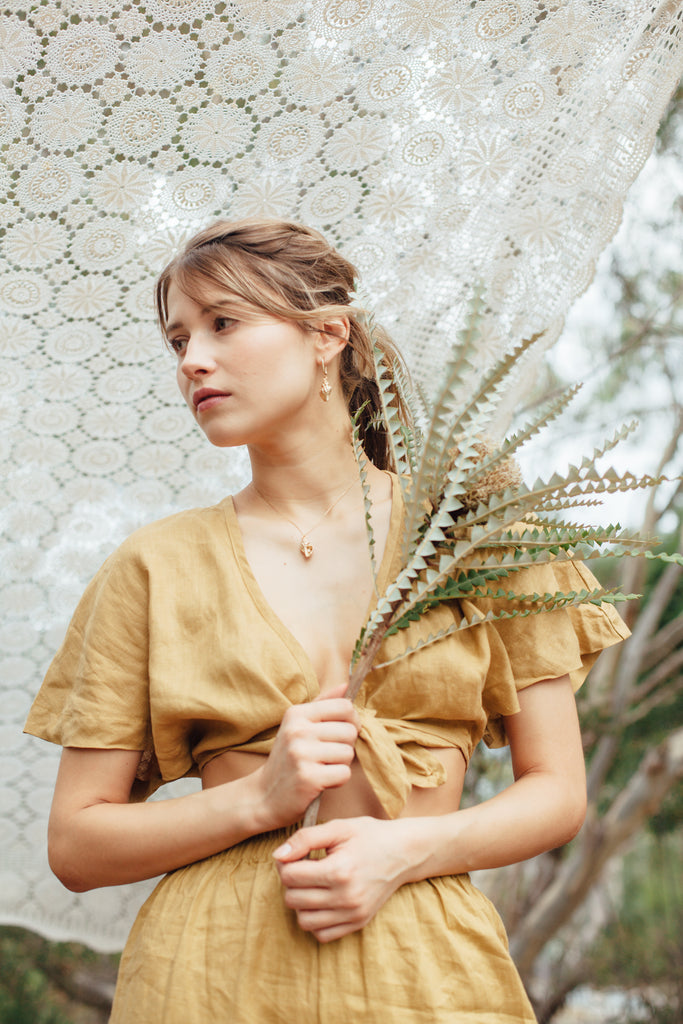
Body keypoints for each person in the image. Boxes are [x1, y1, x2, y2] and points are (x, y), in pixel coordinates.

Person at [25, 217, 630, 1023]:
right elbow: (76, 845)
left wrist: (404, 851)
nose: (192, 360)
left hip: (425, 962)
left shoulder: (471, 533)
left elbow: (556, 791)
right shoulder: (152, 568)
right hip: (207, 972)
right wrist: (257, 800)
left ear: (327, 334)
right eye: (178, 341)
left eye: (223, 324)